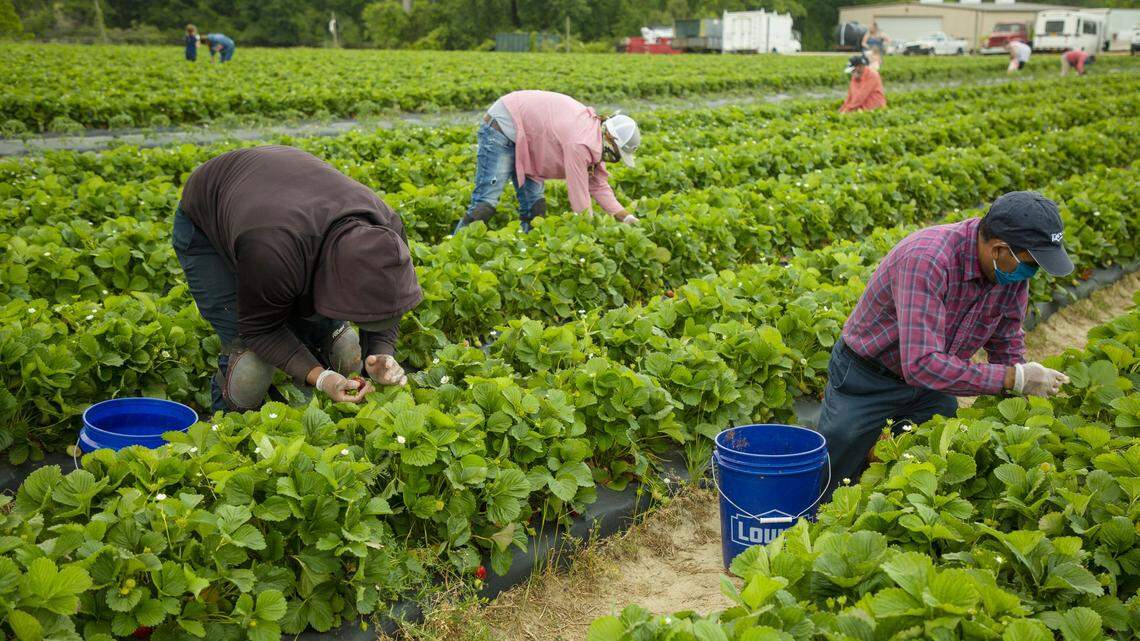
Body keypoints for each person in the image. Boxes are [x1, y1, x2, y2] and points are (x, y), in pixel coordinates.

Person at [816, 192, 1074, 493]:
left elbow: (1006, 340)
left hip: (932, 387)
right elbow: (921, 364)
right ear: (999, 249)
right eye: (1030, 264)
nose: (1031, 273)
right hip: (868, 378)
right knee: (834, 473)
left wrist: (1023, 403)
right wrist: (1012, 378)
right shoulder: (927, 260)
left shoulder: (1011, 275)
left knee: (930, 466)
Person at [174, 146, 422, 412]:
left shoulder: (387, 229)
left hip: (282, 208)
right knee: (251, 367)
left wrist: (382, 352)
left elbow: (388, 301)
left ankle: (311, 409)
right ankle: (227, 431)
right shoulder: (271, 249)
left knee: (344, 349)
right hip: (211, 215)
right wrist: (323, 378)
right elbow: (260, 329)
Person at [454, 90, 641, 233]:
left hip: (530, 139)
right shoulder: (580, 142)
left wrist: (626, 218)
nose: (609, 159)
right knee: (485, 205)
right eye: (615, 155)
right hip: (504, 123)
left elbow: (598, 186)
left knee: (536, 207)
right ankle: (454, 251)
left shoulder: (594, 139)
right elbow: (579, 198)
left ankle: (527, 253)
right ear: (609, 141)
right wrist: (588, 234)